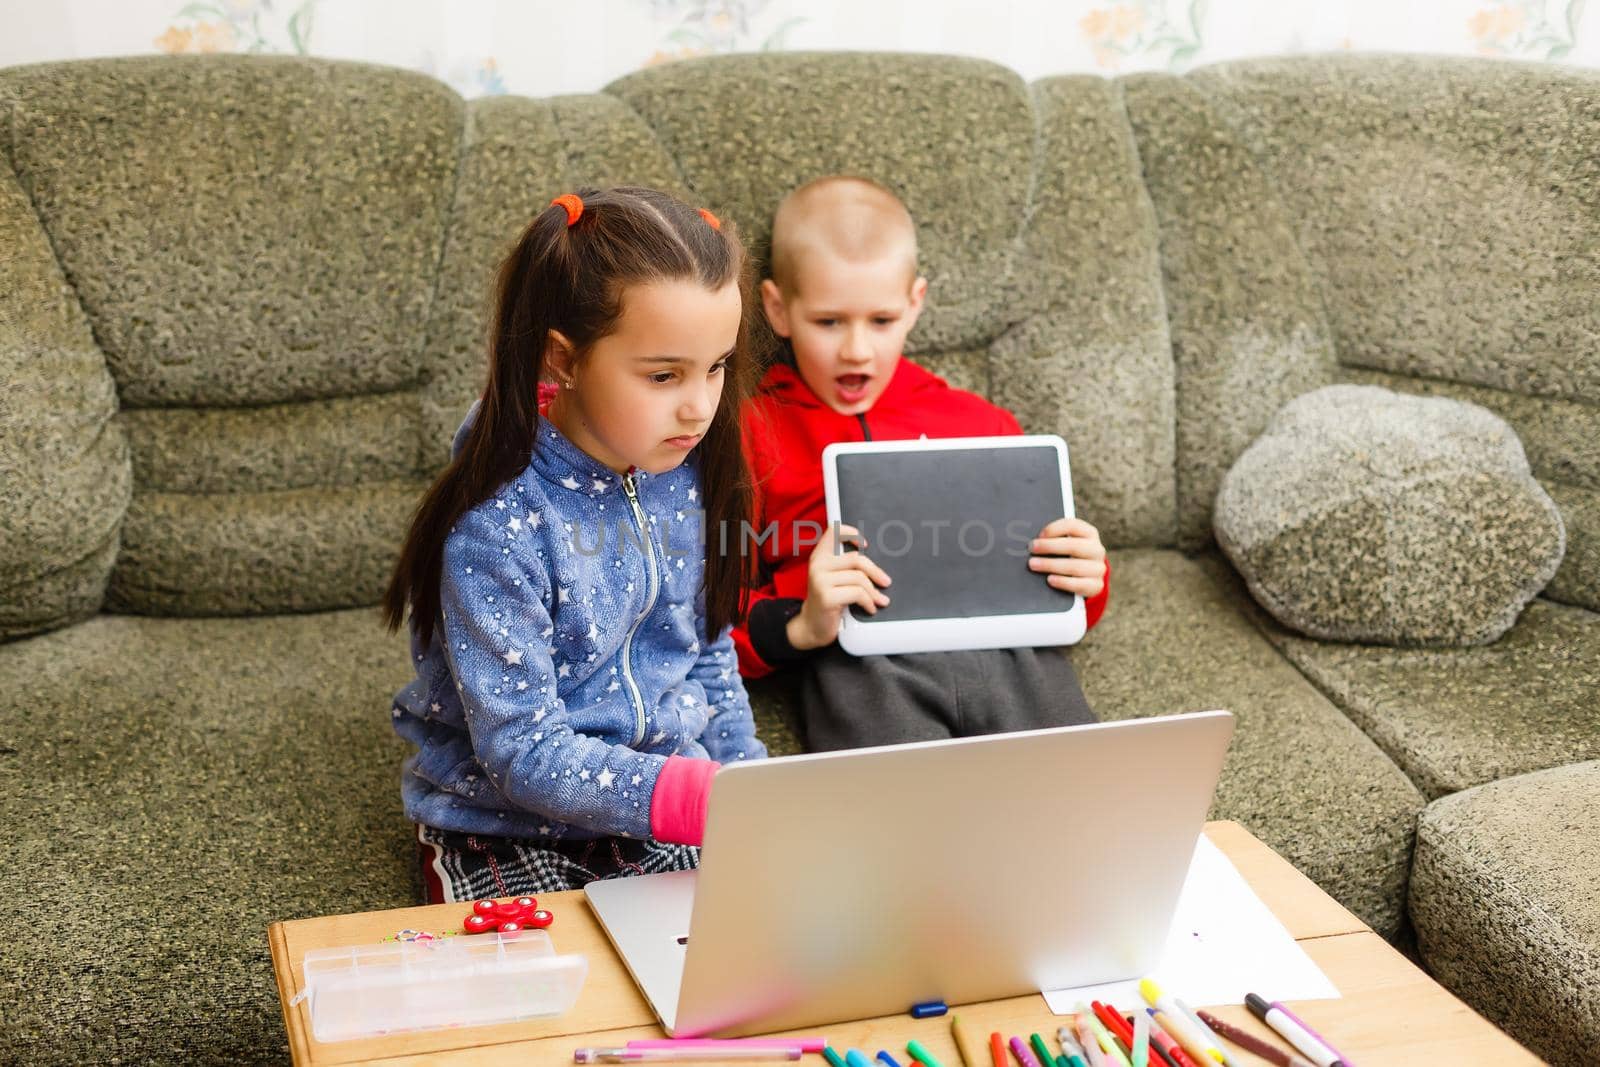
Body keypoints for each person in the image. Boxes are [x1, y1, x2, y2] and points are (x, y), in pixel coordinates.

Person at [381, 186, 767, 902]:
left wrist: (749, 781)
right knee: (553, 1004)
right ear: (564, 357)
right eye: (663, 375)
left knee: (753, 959)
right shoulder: (497, 523)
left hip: (660, 803)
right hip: (499, 824)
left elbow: (706, 647)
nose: (700, 405)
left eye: (716, 367)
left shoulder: (680, 470)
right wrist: (696, 796)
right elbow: (521, 751)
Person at [733, 175, 1111, 752]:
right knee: (895, 812)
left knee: (1081, 785)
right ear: (778, 310)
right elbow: (703, 614)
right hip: (856, 655)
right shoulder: (751, 434)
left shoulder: (981, 424)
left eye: (881, 321)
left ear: (914, 306)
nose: (856, 349)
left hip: (1007, 650)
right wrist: (799, 623)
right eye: (829, 322)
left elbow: (1052, 585)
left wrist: (1087, 579)